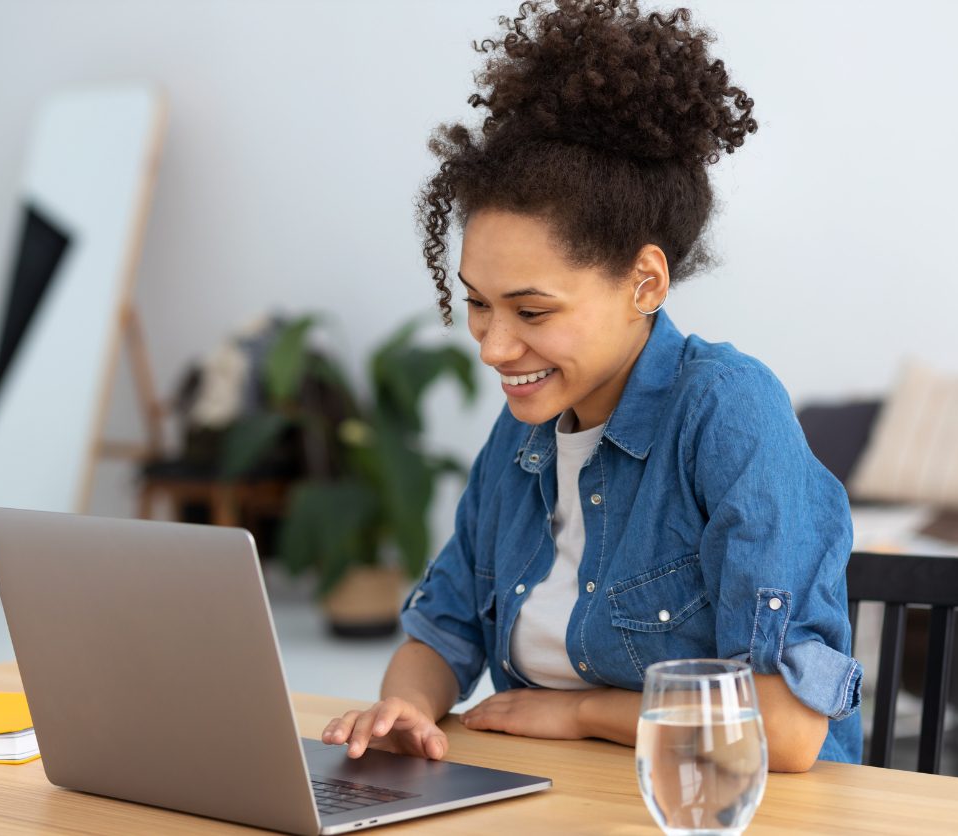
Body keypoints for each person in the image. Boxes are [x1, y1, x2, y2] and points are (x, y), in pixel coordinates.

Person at [321, 0, 861, 772]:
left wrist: (582, 715)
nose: (494, 347)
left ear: (645, 281)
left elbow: (785, 728)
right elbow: (442, 635)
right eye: (477, 303)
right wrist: (406, 708)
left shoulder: (727, 414)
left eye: (532, 310)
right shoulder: (523, 436)